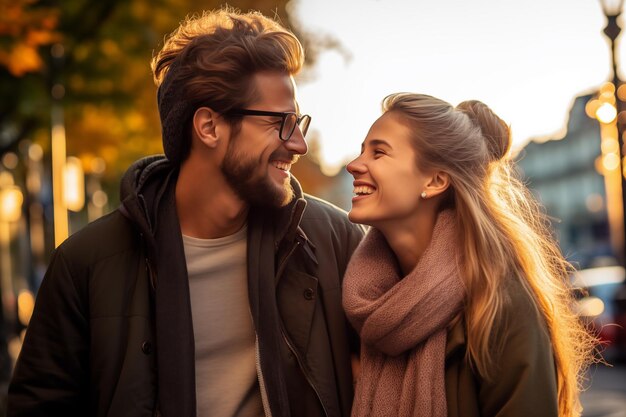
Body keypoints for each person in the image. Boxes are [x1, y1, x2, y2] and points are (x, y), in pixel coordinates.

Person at [8, 8, 364, 417]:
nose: (299, 144)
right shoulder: (85, 263)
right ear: (209, 127)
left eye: (297, 122)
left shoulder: (334, 240)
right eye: (280, 123)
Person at [342, 93, 597, 417]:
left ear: (435, 180)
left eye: (378, 152)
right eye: (363, 149)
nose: (354, 164)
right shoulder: (363, 303)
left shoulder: (499, 305)